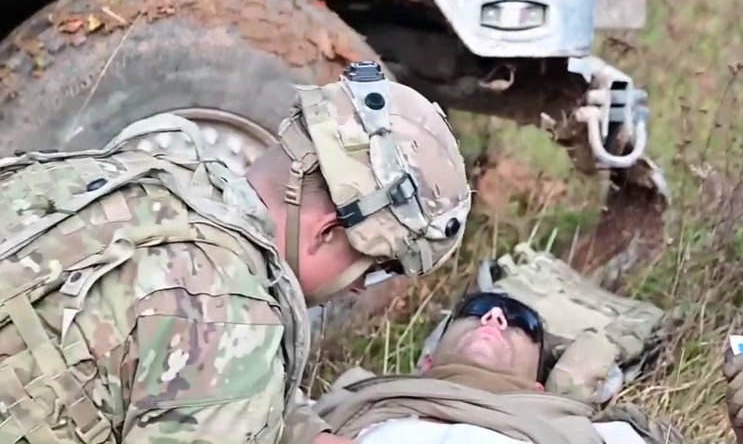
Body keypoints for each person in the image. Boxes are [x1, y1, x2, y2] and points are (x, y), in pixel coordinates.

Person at [0, 60, 472, 444]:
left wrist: (305, 433)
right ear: (326, 232)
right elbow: (217, 353)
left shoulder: (150, 175)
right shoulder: (237, 321)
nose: (352, 290)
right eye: (372, 271)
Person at [309, 290, 743, 444]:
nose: (495, 317)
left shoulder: (603, 437)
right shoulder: (343, 406)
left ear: (539, 385)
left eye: (522, 322)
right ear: (427, 361)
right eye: (476, 308)